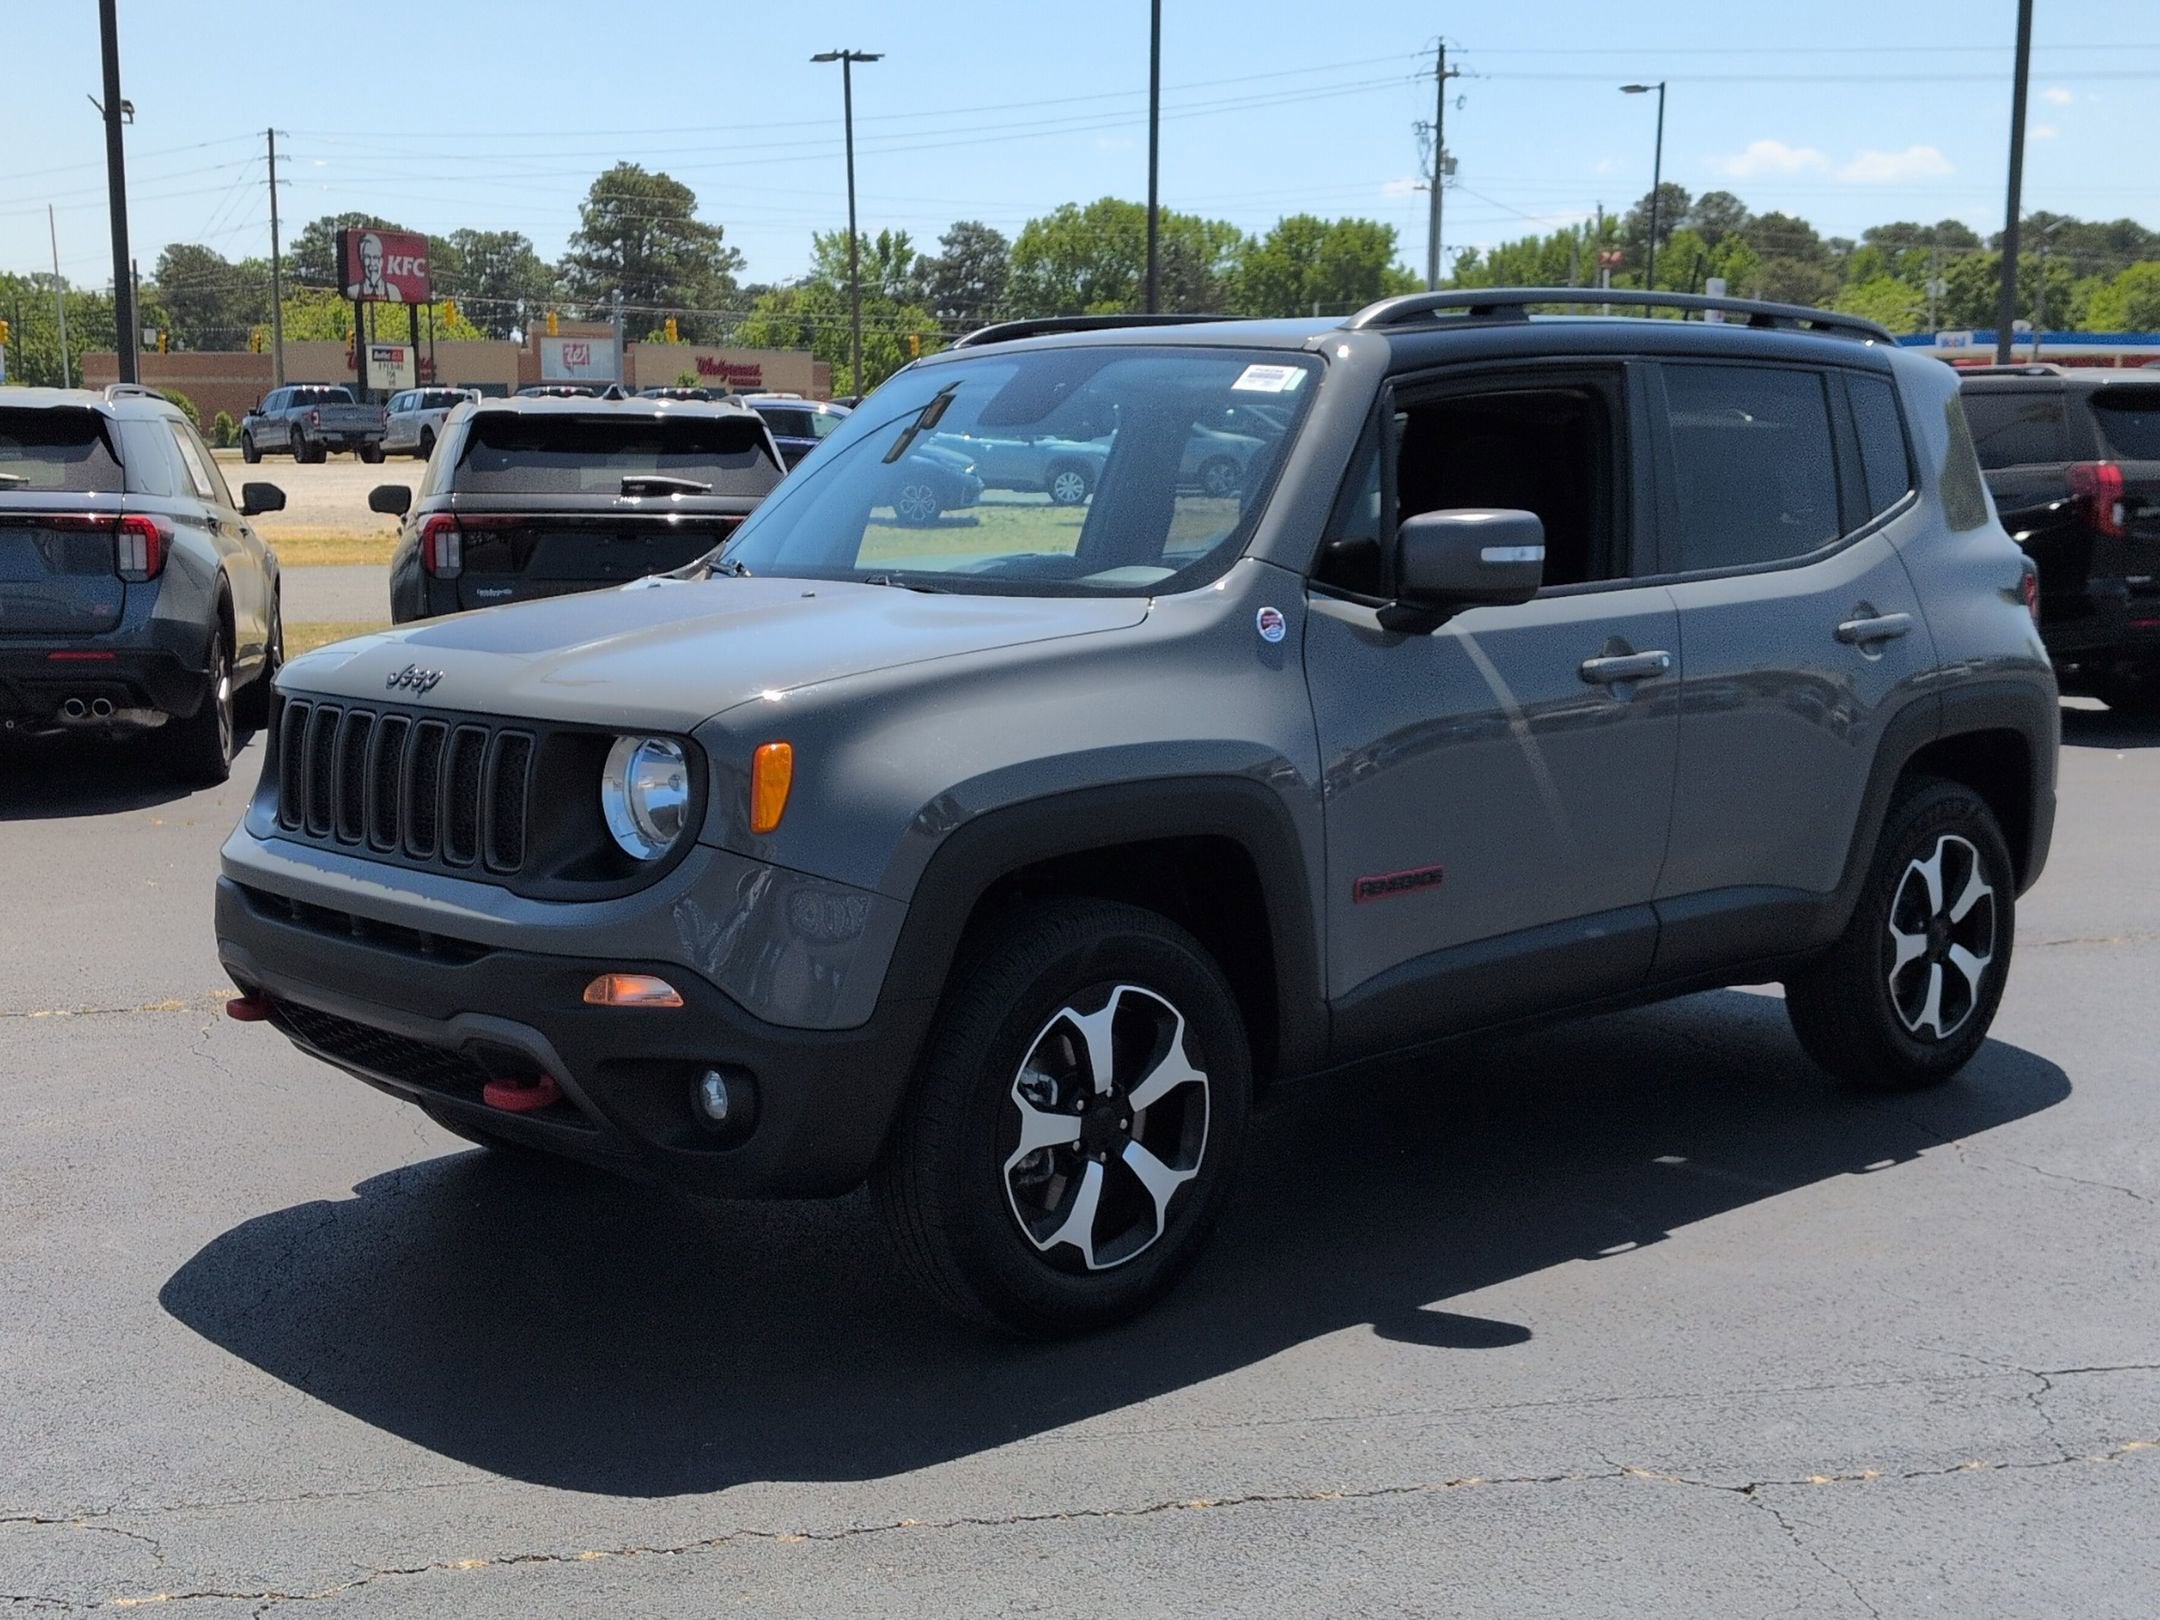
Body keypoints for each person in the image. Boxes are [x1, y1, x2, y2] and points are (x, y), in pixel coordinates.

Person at [353, 232, 403, 303]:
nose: (372, 263)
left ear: (381, 261)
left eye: (375, 257)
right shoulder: (353, 291)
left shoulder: (393, 292)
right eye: (367, 257)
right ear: (361, 260)